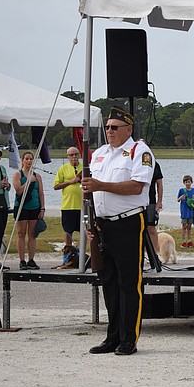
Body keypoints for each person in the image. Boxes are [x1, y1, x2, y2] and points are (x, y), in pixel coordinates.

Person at [82, 106, 154, 356]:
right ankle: (112, 336)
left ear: (128, 129)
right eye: (107, 127)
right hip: (103, 224)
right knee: (109, 282)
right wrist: (89, 224)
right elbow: (90, 191)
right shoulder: (100, 154)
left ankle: (128, 338)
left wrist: (101, 184)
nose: (109, 131)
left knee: (129, 283)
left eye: (115, 127)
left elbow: (136, 187)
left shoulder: (139, 151)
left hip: (128, 222)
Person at [11, 150, 45, 270]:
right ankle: (22, 260)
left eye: (31, 159)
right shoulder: (18, 174)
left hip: (35, 208)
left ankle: (31, 260)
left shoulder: (38, 176)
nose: (29, 161)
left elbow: (41, 193)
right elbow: (18, 190)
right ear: (23, 160)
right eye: (27, 159)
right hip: (22, 207)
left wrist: (42, 208)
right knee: (21, 233)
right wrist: (28, 181)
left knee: (32, 234)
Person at [53, 147, 82, 251]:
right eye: (71, 155)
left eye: (76, 154)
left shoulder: (85, 167)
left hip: (82, 206)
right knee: (68, 231)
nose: (74, 157)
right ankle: (69, 252)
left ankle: (80, 250)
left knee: (85, 230)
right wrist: (70, 181)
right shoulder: (63, 169)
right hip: (68, 206)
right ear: (67, 156)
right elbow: (56, 186)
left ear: (79, 155)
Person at [177, 175, 194, 248]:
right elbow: (178, 200)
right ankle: (183, 241)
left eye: (189, 182)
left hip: (191, 212)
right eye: (186, 182)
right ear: (184, 183)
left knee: (189, 226)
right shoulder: (181, 190)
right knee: (184, 226)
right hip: (184, 211)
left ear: (191, 182)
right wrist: (181, 198)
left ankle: (189, 240)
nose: (187, 183)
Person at [146, 161, 164, 254]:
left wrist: (159, 201)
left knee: (151, 228)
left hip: (150, 201)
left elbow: (159, 183)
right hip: (134, 202)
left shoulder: (153, 163)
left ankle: (153, 254)